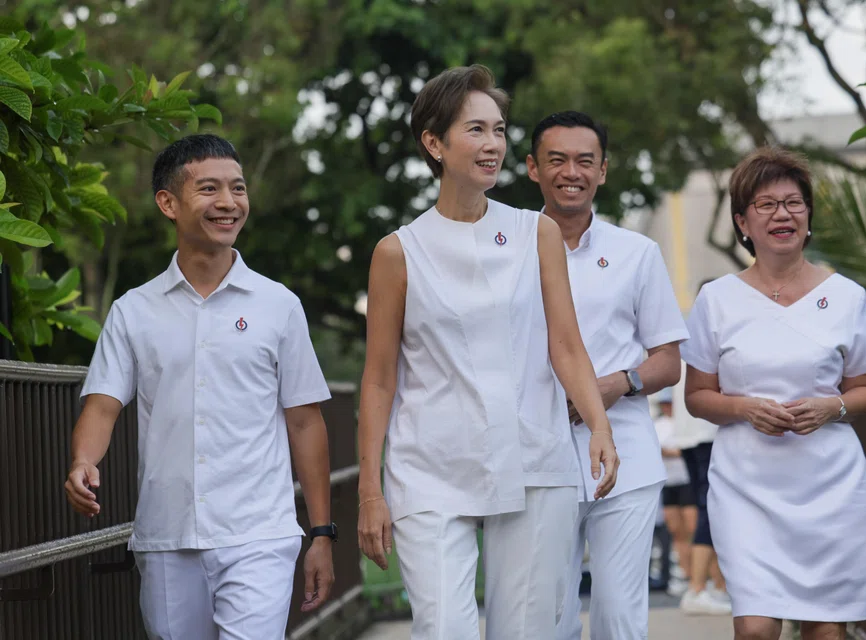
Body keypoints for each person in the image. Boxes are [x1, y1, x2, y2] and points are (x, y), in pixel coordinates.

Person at [356, 68, 620, 640]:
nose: (493, 144)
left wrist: (598, 423)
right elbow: (378, 381)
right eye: (475, 129)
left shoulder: (536, 233)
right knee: (444, 629)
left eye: (499, 130)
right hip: (430, 469)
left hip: (532, 457)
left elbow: (566, 346)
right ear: (434, 143)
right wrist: (369, 492)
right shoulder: (398, 252)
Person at [63, 134, 337, 640]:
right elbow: (102, 406)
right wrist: (84, 461)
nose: (229, 203)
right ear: (168, 202)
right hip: (167, 536)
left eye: (238, 188)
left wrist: (321, 533)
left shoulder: (279, 306)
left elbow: (304, 421)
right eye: (209, 189)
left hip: (260, 532)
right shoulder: (133, 311)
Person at [681, 147, 866, 640]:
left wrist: (831, 406)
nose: (782, 214)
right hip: (747, 486)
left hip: (829, 485)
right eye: (766, 204)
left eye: (793, 203)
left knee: (825, 632)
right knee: (755, 629)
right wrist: (744, 408)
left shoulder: (847, 296)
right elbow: (697, 396)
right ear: (742, 222)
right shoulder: (717, 300)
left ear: (808, 216)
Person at [525, 110, 688, 640]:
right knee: (548, 618)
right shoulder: (508, 249)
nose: (571, 172)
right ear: (532, 168)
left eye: (584, 161)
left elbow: (667, 360)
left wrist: (617, 384)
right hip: (535, 457)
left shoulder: (637, 252)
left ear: (603, 170)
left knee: (620, 618)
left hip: (626, 457)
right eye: (557, 160)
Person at [676, 351, 732, 615]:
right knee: (709, 510)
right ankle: (697, 588)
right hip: (705, 434)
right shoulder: (704, 339)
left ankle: (717, 587)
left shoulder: (686, 343)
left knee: (710, 510)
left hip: (688, 435)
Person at [652, 387, 698, 598]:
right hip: (668, 483)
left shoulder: (683, 424)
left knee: (693, 530)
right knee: (677, 532)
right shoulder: (658, 425)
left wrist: (667, 452)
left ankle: (700, 577)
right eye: (664, 403)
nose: (667, 406)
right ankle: (687, 576)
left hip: (687, 481)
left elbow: (686, 449)